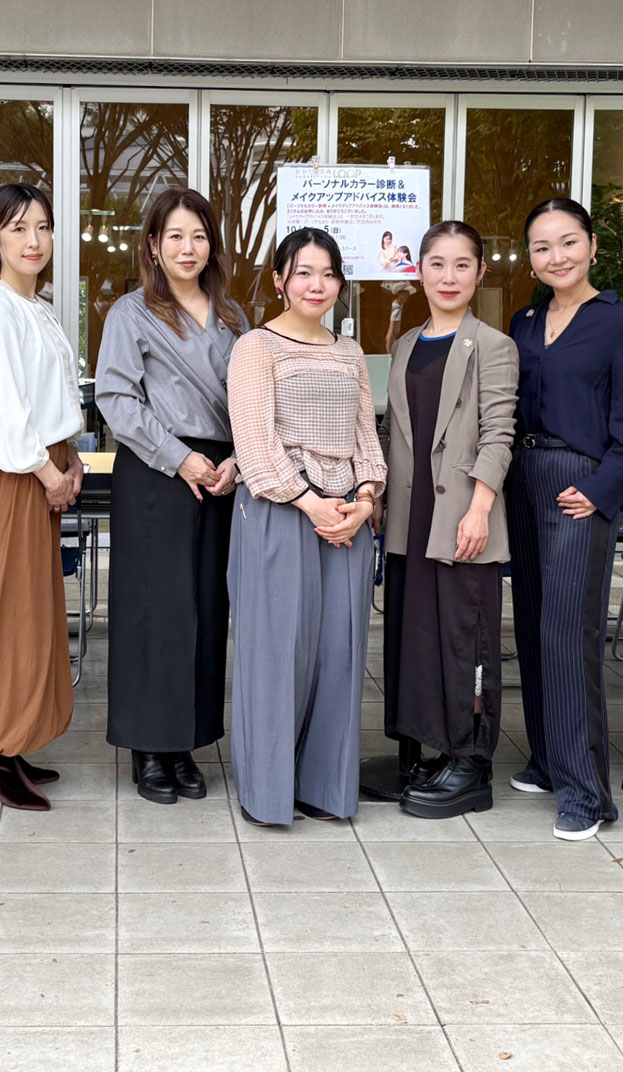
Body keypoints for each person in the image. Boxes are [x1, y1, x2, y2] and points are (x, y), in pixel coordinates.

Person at [505, 199, 623, 840]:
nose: (556, 256)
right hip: (523, 477)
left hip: (579, 483)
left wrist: (601, 489)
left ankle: (584, 793)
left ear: (592, 247)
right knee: (533, 624)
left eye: (568, 242)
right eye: (542, 247)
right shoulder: (525, 320)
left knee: (569, 633)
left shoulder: (621, 324)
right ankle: (546, 759)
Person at [228, 227, 385, 827]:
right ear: (279, 281)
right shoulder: (256, 347)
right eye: (303, 273)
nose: (316, 285)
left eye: (328, 274)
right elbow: (254, 440)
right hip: (280, 511)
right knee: (277, 653)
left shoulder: (349, 352)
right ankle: (268, 792)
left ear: (341, 282)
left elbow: (366, 434)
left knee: (340, 655)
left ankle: (325, 788)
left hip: (348, 518)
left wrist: (366, 497)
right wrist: (308, 501)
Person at [95, 188, 245, 804]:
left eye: (199, 236)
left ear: (212, 245)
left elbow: (253, 399)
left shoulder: (233, 317)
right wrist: (179, 457)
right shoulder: (130, 313)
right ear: (153, 246)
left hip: (220, 477)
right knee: (154, 611)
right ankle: (148, 747)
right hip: (156, 470)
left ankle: (185, 742)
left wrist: (238, 459)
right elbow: (116, 399)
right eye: (175, 236)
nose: (188, 248)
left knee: (205, 609)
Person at [0, 182, 81, 811]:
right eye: (19, 228)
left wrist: (69, 457)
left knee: (27, 610)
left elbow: (49, 398)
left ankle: (2, 742)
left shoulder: (38, 306)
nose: (34, 240)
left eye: (43, 227)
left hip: (41, 464)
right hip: (14, 474)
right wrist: (48, 473)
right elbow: (1, 413)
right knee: (7, 611)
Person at [379, 221, 517, 820]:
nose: (449, 276)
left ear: (480, 272)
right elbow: (394, 429)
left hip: (463, 515)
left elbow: (499, 433)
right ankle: (431, 748)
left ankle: (471, 762)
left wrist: (480, 508)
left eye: (463, 265)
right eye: (437, 264)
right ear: (419, 272)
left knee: (468, 639)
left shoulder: (493, 345)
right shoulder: (406, 345)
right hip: (411, 518)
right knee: (418, 638)